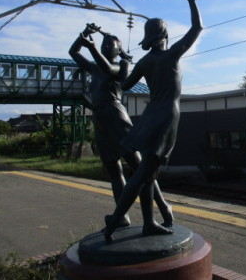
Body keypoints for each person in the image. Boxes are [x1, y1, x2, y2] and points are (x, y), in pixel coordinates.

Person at [104, 0, 202, 241]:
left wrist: (124, 61)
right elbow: (196, 29)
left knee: (147, 175)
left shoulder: (145, 61)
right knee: (142, 175)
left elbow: (124, 85)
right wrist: (191, 1)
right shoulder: (170, 55)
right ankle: (115, 220)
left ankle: (149, 223)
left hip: (150, 117)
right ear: (165, 34)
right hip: (166, 117)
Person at [69, 24, 173, 228]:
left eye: (111, 44)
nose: (107, 45)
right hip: (99, 119)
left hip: (116, 115)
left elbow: (110, 69)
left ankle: (162, 205)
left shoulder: (122, 64)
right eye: (104, 43)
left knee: (139, 166)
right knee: (113, 169)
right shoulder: (93, 66)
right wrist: (83, 36)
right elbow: (73, 52)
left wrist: (91, 47)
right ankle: (122, 216)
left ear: (119, 49)